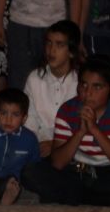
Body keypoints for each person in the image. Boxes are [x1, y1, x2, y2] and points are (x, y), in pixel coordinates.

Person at [22, 57, 110, 207]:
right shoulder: (67, 110)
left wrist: (94, 129)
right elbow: (58, 163)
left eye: (97, 87)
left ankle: (72, 196)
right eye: (83, 85)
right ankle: (102, 198)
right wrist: (80, 132)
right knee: (30, 171)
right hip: (75, 170)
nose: (88, 93)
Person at [23, 20, 80, 158]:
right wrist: (35, 145)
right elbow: (29, 119)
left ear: (71, 52)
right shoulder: (35, 78)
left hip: (72, 149)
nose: (52, 50)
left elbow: (81, 126)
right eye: (49, 43)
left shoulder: (81, 83)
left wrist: (55, 144)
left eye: (59, 45)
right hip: (39, 145)